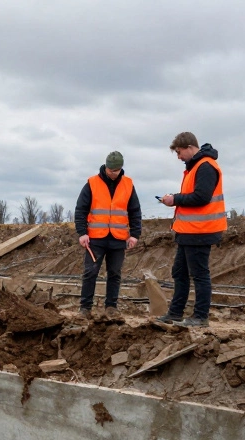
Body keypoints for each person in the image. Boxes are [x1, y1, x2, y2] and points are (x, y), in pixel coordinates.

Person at [157, 132, 225, 327]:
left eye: (179, 152)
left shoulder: (205, 167)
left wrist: (175, 199)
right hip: (188, 231)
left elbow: (201, 197)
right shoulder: (194, 168)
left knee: (200, 274)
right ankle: (175, 313)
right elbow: (192, 195)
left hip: (200, 231)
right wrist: (174, 199)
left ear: (189, 147)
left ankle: (200, 316)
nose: (178, 157)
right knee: (179, 272)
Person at [74, 151, 141, 319]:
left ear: (121, 168)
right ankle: (85, 308)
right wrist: (82, 232)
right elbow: (81, 209)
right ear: (105, 167)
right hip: (96, 238)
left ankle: (111, 307)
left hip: (118, 238)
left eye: (116, 170)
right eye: (111, 169)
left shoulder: (128, 184)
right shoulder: (92, 183)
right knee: (90, 272)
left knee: (115, 273)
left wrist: (135, 234)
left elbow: (135, 211)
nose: (113, 172)